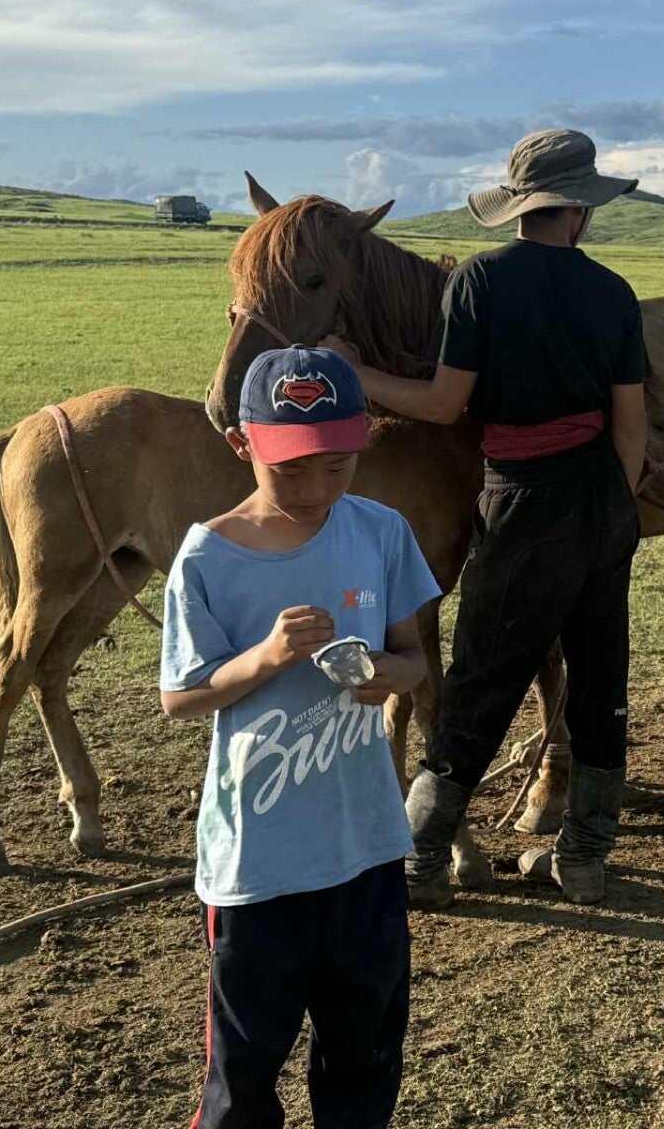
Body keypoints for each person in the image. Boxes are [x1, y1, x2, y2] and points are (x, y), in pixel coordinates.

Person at [331, 127, 648, 908]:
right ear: (579, 210)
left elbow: (444, 404)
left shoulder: (478, 281)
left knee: (480, 680)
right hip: (603, 499)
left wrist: (355, 371)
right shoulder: (612, 292)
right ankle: (584, 862)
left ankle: (420, 862)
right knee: (600, 680)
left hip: (520, 498)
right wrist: (616, 508)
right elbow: (631, 421)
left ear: (519, 208)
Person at [159, 345, 439, 1129]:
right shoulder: (209, 555)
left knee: (364, 1062)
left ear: (363, 442)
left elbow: (415, 659)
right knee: (242, 1080)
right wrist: (265, 657)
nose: (315, 488)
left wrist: (386, 673)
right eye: (289, 470)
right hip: (260, 866)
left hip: (367, 849)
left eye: (337, 466)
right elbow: (181, 697)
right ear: (240, 444)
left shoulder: (381, 532)